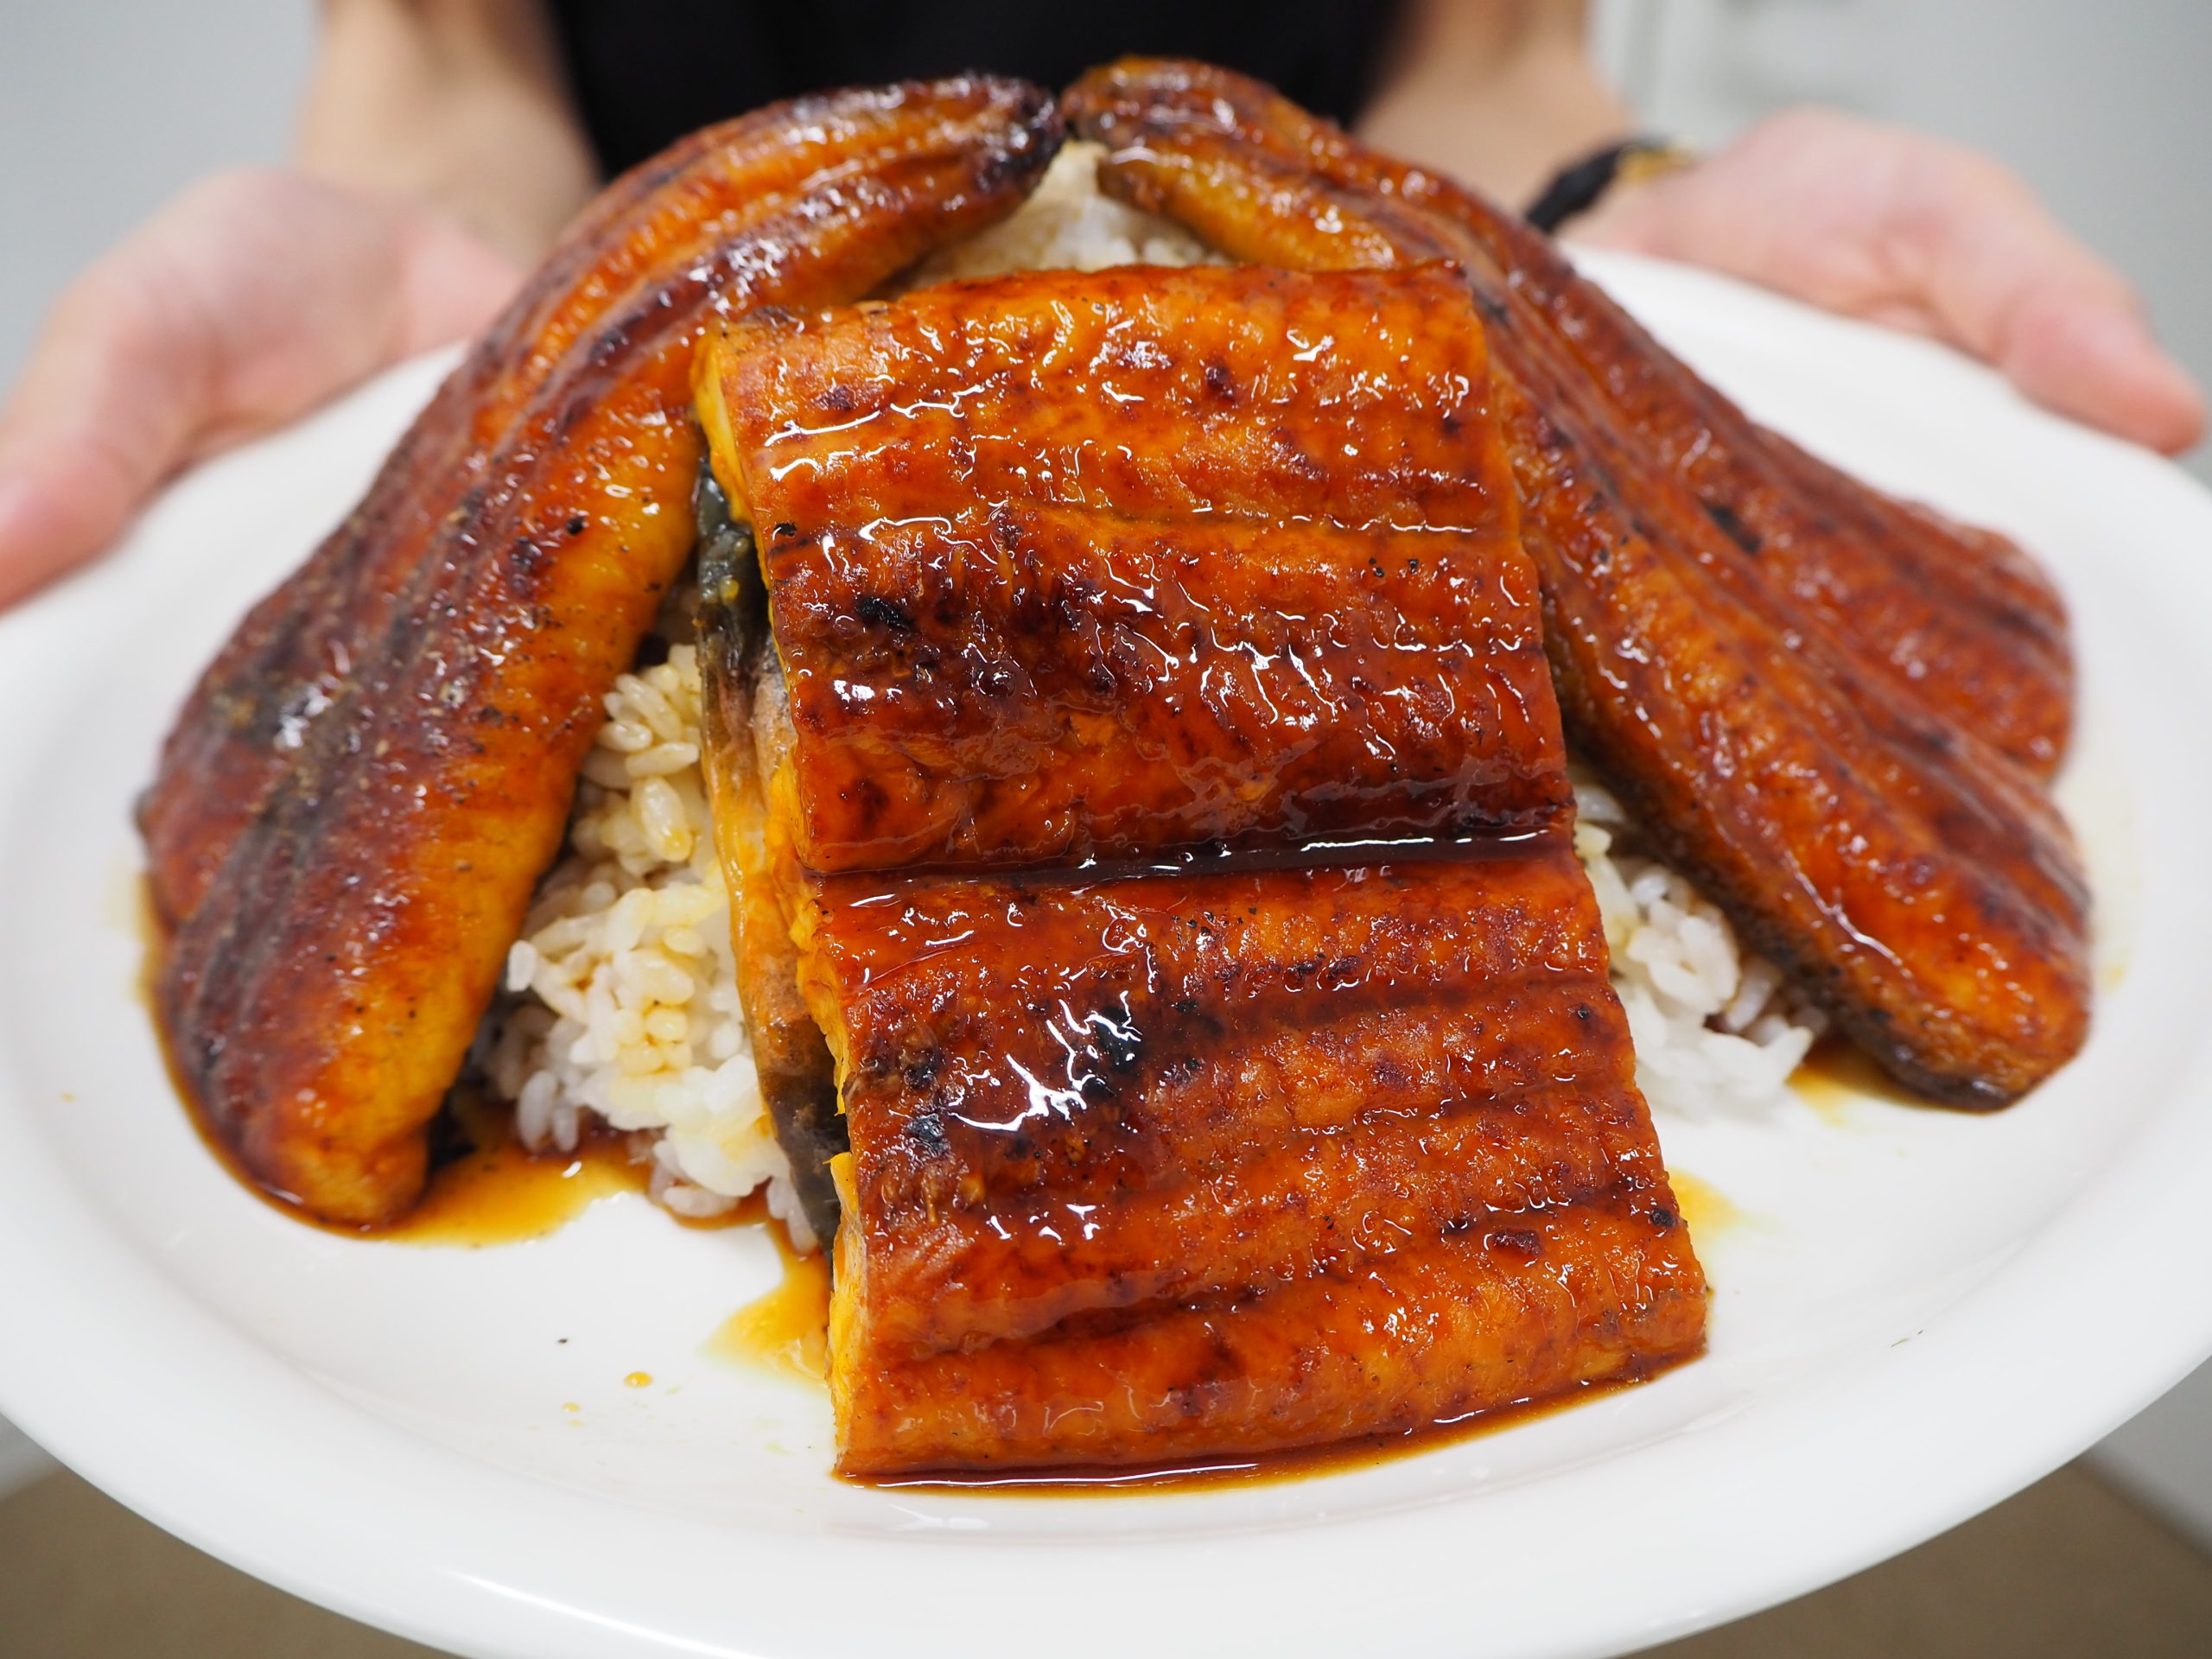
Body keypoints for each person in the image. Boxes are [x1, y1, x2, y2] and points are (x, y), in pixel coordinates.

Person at [0, 0, 2200, 613]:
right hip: (681, 486)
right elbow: (443, 75)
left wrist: (1588, 226)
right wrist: (435, 291)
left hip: (1343, 462)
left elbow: (1486, 63)